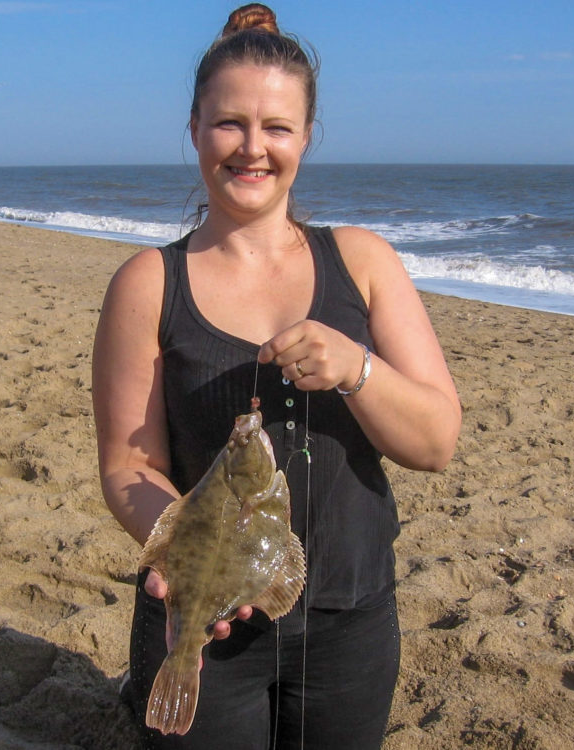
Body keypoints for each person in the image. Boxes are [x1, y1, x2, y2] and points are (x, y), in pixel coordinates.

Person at [92, 4, 461, 748]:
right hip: (203, 621)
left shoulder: (363, 262)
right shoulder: (147, 282)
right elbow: (129, 463)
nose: (251, 148)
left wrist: (356, 369)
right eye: (228, 123)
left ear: (306, 138)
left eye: (276, 128)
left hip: (349, 619)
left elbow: (434, 442)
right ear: (194, 128)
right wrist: (180, 559)